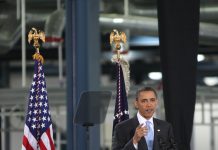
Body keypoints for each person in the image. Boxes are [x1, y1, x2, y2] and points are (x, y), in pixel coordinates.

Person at [112, 87, 177, 150]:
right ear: (136, 104)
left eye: (152, 100)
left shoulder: (166, 127)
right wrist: (134, 140)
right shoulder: (122, 128)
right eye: (144, 101)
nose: (149, 105)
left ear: (156, 102)